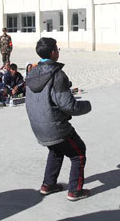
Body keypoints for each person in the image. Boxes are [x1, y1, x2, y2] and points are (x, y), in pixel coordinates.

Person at [26, 37, 92, 201]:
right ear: (53, 52)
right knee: (78, 153)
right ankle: (75, 191)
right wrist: (87, 105)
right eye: (57, 49)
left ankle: (48, 185)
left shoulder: (32, 72)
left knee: (57, 150)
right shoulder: (57, 75)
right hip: (55, 127)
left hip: (38, 127)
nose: (58, 51)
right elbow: (68, 106)